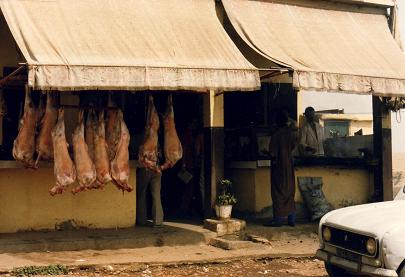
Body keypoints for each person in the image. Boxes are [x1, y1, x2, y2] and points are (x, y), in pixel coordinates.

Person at [264, 111, 297, 227]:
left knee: (278, 192)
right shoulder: (290, 133)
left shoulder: (276, 135)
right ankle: (291, 219)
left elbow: (273, 153)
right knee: (289, 191)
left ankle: (278, 220)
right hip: (289, 165)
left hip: (278, 166)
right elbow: (293, 146)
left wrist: (267, 153)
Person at [136, 144, 164, 227]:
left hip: (145, 169)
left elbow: (140, 158)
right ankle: (158, 221)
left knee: (141, 193)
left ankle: (141, 220)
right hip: (157, 168)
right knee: (156, 195)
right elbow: (161, 156)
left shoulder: (143, 143)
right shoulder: (157, 143)